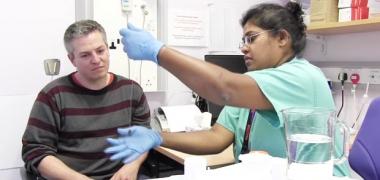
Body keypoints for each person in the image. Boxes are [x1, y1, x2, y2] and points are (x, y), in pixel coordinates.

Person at [105, 2, 352, 178]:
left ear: (282, 38)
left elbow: (222, 88)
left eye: (251, 38)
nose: (244, 48)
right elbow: (216, 138)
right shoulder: (255, 84)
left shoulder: (302, 77)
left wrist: (158, 52)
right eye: (243, 40)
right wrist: (157, 138)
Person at [21, 20, 151, 180]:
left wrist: (132, 166)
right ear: (72, 60)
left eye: (100, 50)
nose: (96, 60)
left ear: (108, 49)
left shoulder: (132, 90)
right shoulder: (53, 95)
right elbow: (36, 152)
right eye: (85, 55)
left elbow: (143, 137)